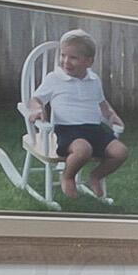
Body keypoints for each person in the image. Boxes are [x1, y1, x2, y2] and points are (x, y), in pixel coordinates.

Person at [26, 30, 128, 201]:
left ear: (88, 61)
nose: (66, 61)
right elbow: (35, 99)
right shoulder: (54, 78)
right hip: (68, 130)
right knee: (83, 150)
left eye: (73, 57)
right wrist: (37, 110)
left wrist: (111, 115)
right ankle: (68, 176)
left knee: (120, 152)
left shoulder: (94, 80)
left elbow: (102, 103)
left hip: (95, 129)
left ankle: (96, 176)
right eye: (63, 55)